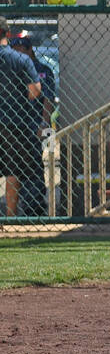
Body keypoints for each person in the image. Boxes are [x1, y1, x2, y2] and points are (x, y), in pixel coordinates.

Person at [0, 17, 42, 217]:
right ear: (7, 34)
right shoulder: (21, 59)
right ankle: (10, 215)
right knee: (11, 169)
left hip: (11, 120)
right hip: (13, 121)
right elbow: (35, 90)